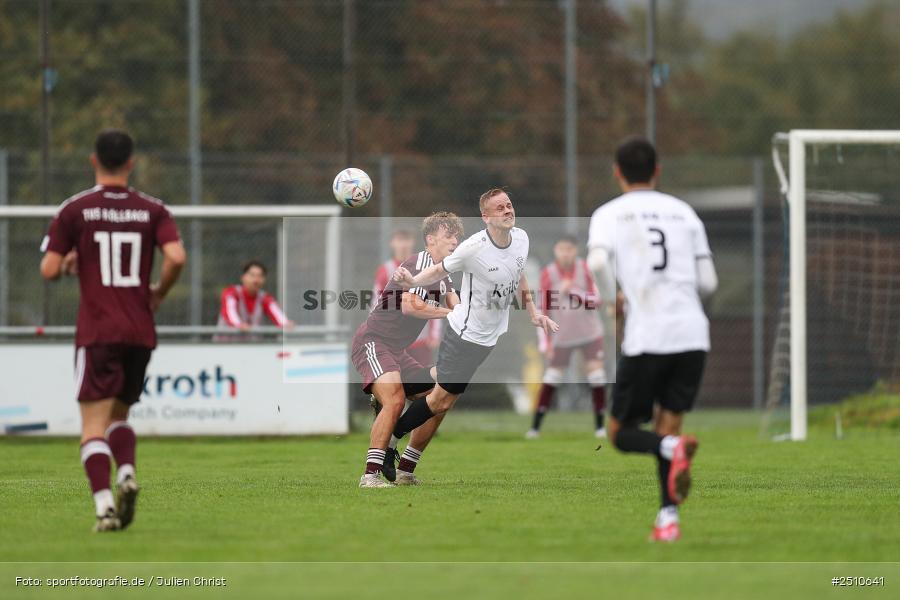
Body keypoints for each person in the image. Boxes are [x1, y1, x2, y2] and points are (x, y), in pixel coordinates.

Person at [40, 129, 186, 532]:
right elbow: (175, 256)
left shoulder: (75, 209)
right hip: (139, 329)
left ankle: (105, 505)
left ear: (93, 160)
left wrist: (71, 263)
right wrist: (157, 293)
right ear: (131, 162)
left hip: (98, 331)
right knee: (120, 415)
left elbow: (48, 269)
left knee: (91, 426)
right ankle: (126, 471)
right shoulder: (152, 209)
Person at [586, 136, 718, 542]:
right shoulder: (685, 212)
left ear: (617, 172)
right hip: (693, 333)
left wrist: (614, 302)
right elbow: (709, 283)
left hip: (648, 335)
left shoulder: (609, 214)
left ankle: (669, 457)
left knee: (621, 434)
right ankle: (667, 521)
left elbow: (596, 261)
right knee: (670, 425)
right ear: (657, 170)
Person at [390, 188, 559, 482]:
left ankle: (404, 456)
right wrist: (413, 280)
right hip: (463, 334)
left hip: (488, 339)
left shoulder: (521, 238)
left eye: (509, 205)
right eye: (499, 208)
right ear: (486, 217)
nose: (508, 211)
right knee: (441, 401)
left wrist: (532, 312)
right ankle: (390, 439)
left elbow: (518, 274)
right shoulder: (474, 247)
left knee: (443, 399)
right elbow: (440, 270)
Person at [352, 212, 463, 488]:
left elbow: (457, 304)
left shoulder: (443, 272)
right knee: (395, 399)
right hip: (373, 342)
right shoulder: (418, 263)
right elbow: (410, 306)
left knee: (446, 389)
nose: (455, 240)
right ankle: (370, 476)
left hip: (397, 352)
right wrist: (451, 313)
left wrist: (465, 314)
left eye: (456, 236)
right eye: (448, 235)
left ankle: (405, 469)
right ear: (430, 239)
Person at [526, 234, 608, 439]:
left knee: (597, 376)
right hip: (561, 335)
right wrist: (545, 342)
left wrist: (572, 291)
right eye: (561, 249)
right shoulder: (548, 273)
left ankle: (600, 428)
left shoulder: (586, 269)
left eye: (569, 249)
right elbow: (542, 308)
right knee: (552, 378)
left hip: (590, 334)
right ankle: (535, 428)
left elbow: (597, 300)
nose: (565, 253)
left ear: (576, 250)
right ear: (555, 251)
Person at [372, 229, 442, 367]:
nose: (403, 244)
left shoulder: (425, 269)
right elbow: (376, 302)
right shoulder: (385, 270)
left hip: (420, 337)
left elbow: (435, 301)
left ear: (412, 242)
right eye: (399, 240)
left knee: (421, 382)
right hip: (393, 338)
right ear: (392, 243)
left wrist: (434, 334)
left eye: (406, 240)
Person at [217, 261, 293, 333]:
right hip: (226, 345)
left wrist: (285, 323)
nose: (256, 280)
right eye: (252, 275)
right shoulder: (232, 293)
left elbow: (276, 312)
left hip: (251, 345)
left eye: (260, 276)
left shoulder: (265, 298)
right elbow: (229, 311)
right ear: (243, 277)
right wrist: (238, 325)